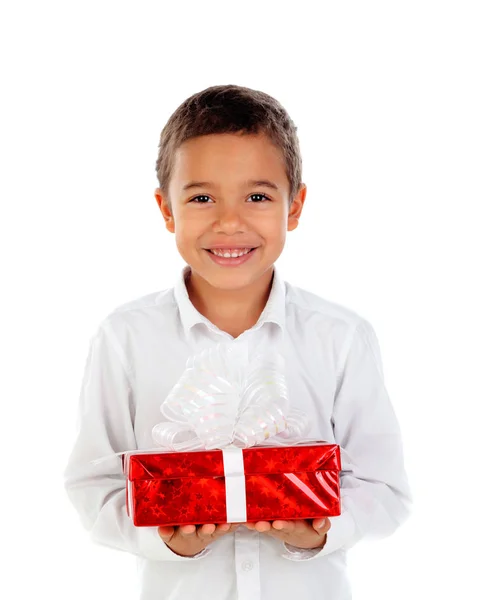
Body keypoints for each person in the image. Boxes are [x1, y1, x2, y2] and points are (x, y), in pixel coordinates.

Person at [63, 84, 413, 600]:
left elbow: (385, 489)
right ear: (166, 210)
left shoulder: (341, 337)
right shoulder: (125, 338)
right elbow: (93, 485)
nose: (230, 221)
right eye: (202, 198)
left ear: (294, 207)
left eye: (257, 196)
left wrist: (320, 531)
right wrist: (167, 541)